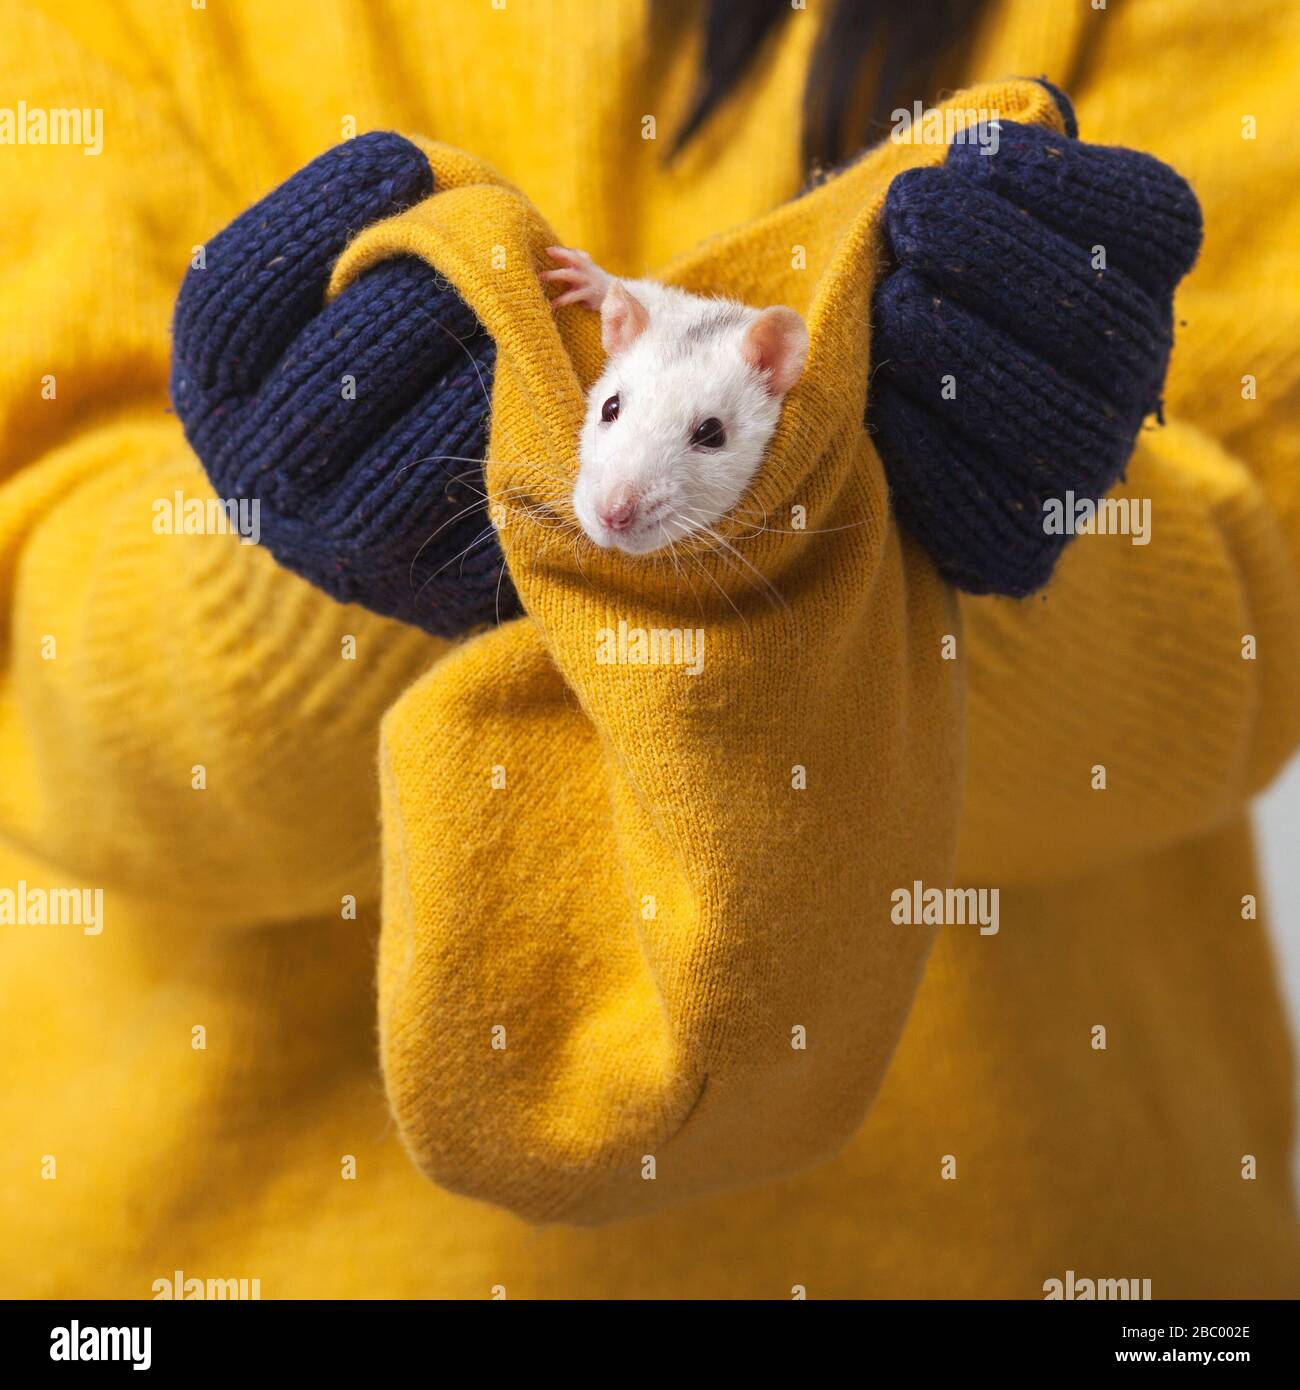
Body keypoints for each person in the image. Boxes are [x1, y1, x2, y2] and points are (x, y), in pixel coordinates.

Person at [1, 0, 1297, 1298]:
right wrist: (310, 563)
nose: (611, 501)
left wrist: (931, 559)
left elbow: (1266, 606)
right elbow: (32, 630)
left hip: (1037, 1251)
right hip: (199, 1260)